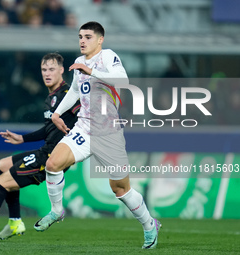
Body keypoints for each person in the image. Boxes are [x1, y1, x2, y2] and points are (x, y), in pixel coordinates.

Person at [33, 22, 161, 249]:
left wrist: (92, 71)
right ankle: (56, 211)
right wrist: (58, 113)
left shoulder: (108, 57)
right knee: (53, 164)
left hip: (108, 134)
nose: (82, 40)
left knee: (120, 189)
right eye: (80, 36)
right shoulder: (80, 62)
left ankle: (150, 225)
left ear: (100, 40)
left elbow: (123, 81)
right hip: (83, 128)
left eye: (88, 37)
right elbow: (74, 91)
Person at [0, 52, 80, 242]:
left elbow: (84, 116)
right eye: (44, 69)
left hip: (52, 158)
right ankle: (15, 223)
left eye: (52, 69)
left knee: (1, 183)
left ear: (62, 71)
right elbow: (49, 131)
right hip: (45, 150)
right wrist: (22, 138)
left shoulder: (67, 95)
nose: (47, 73)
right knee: (2, 165)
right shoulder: (51, 97)